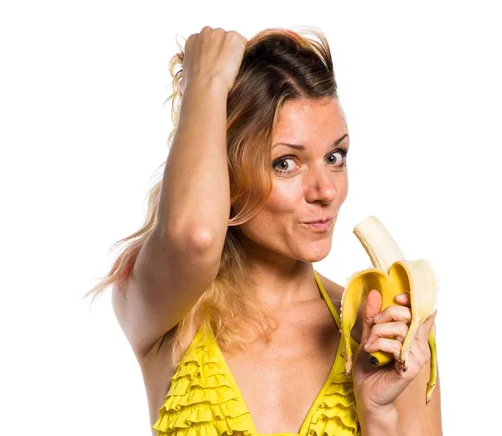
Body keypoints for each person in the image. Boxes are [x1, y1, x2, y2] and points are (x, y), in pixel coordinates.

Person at [86, 25, 442, 436]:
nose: (326, 190)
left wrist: (378, 412)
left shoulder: (390, 328)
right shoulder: (167, 311)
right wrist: (204, 81)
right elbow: (196, 237)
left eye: (335, 156)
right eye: (285, 163)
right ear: (225, 172)